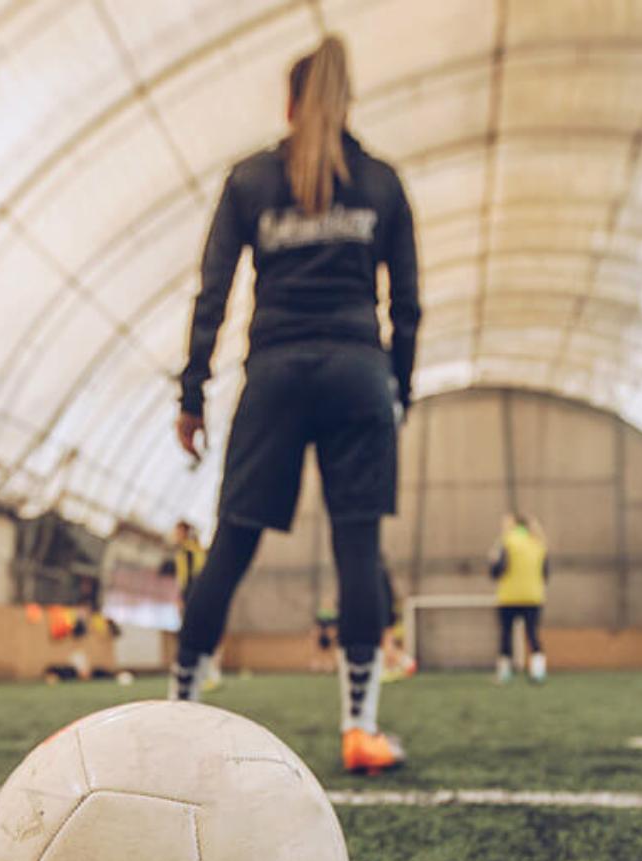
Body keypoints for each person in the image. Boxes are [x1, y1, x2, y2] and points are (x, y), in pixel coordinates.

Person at [170, 34, 419, 775]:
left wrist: (193, 395)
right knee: (358, 550)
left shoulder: (249, 180)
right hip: (356, 374)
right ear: (346, 104)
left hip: (274, 375)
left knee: (233, 542)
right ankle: (358, 729)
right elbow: (407, 306)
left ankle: (179, 718)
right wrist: (397, 388)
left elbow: (211, 294)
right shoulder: (381, 183)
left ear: (288, 103)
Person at [491, 514, 548, 684]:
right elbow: (546, 573)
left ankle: (504, 673)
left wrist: (492, 561)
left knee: (506, 634)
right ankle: (538, 671)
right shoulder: (539, 543)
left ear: (513, 525)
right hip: (533, 597)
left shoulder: (506, 542)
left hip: (509, 597)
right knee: (532, 634)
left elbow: (497, 570)